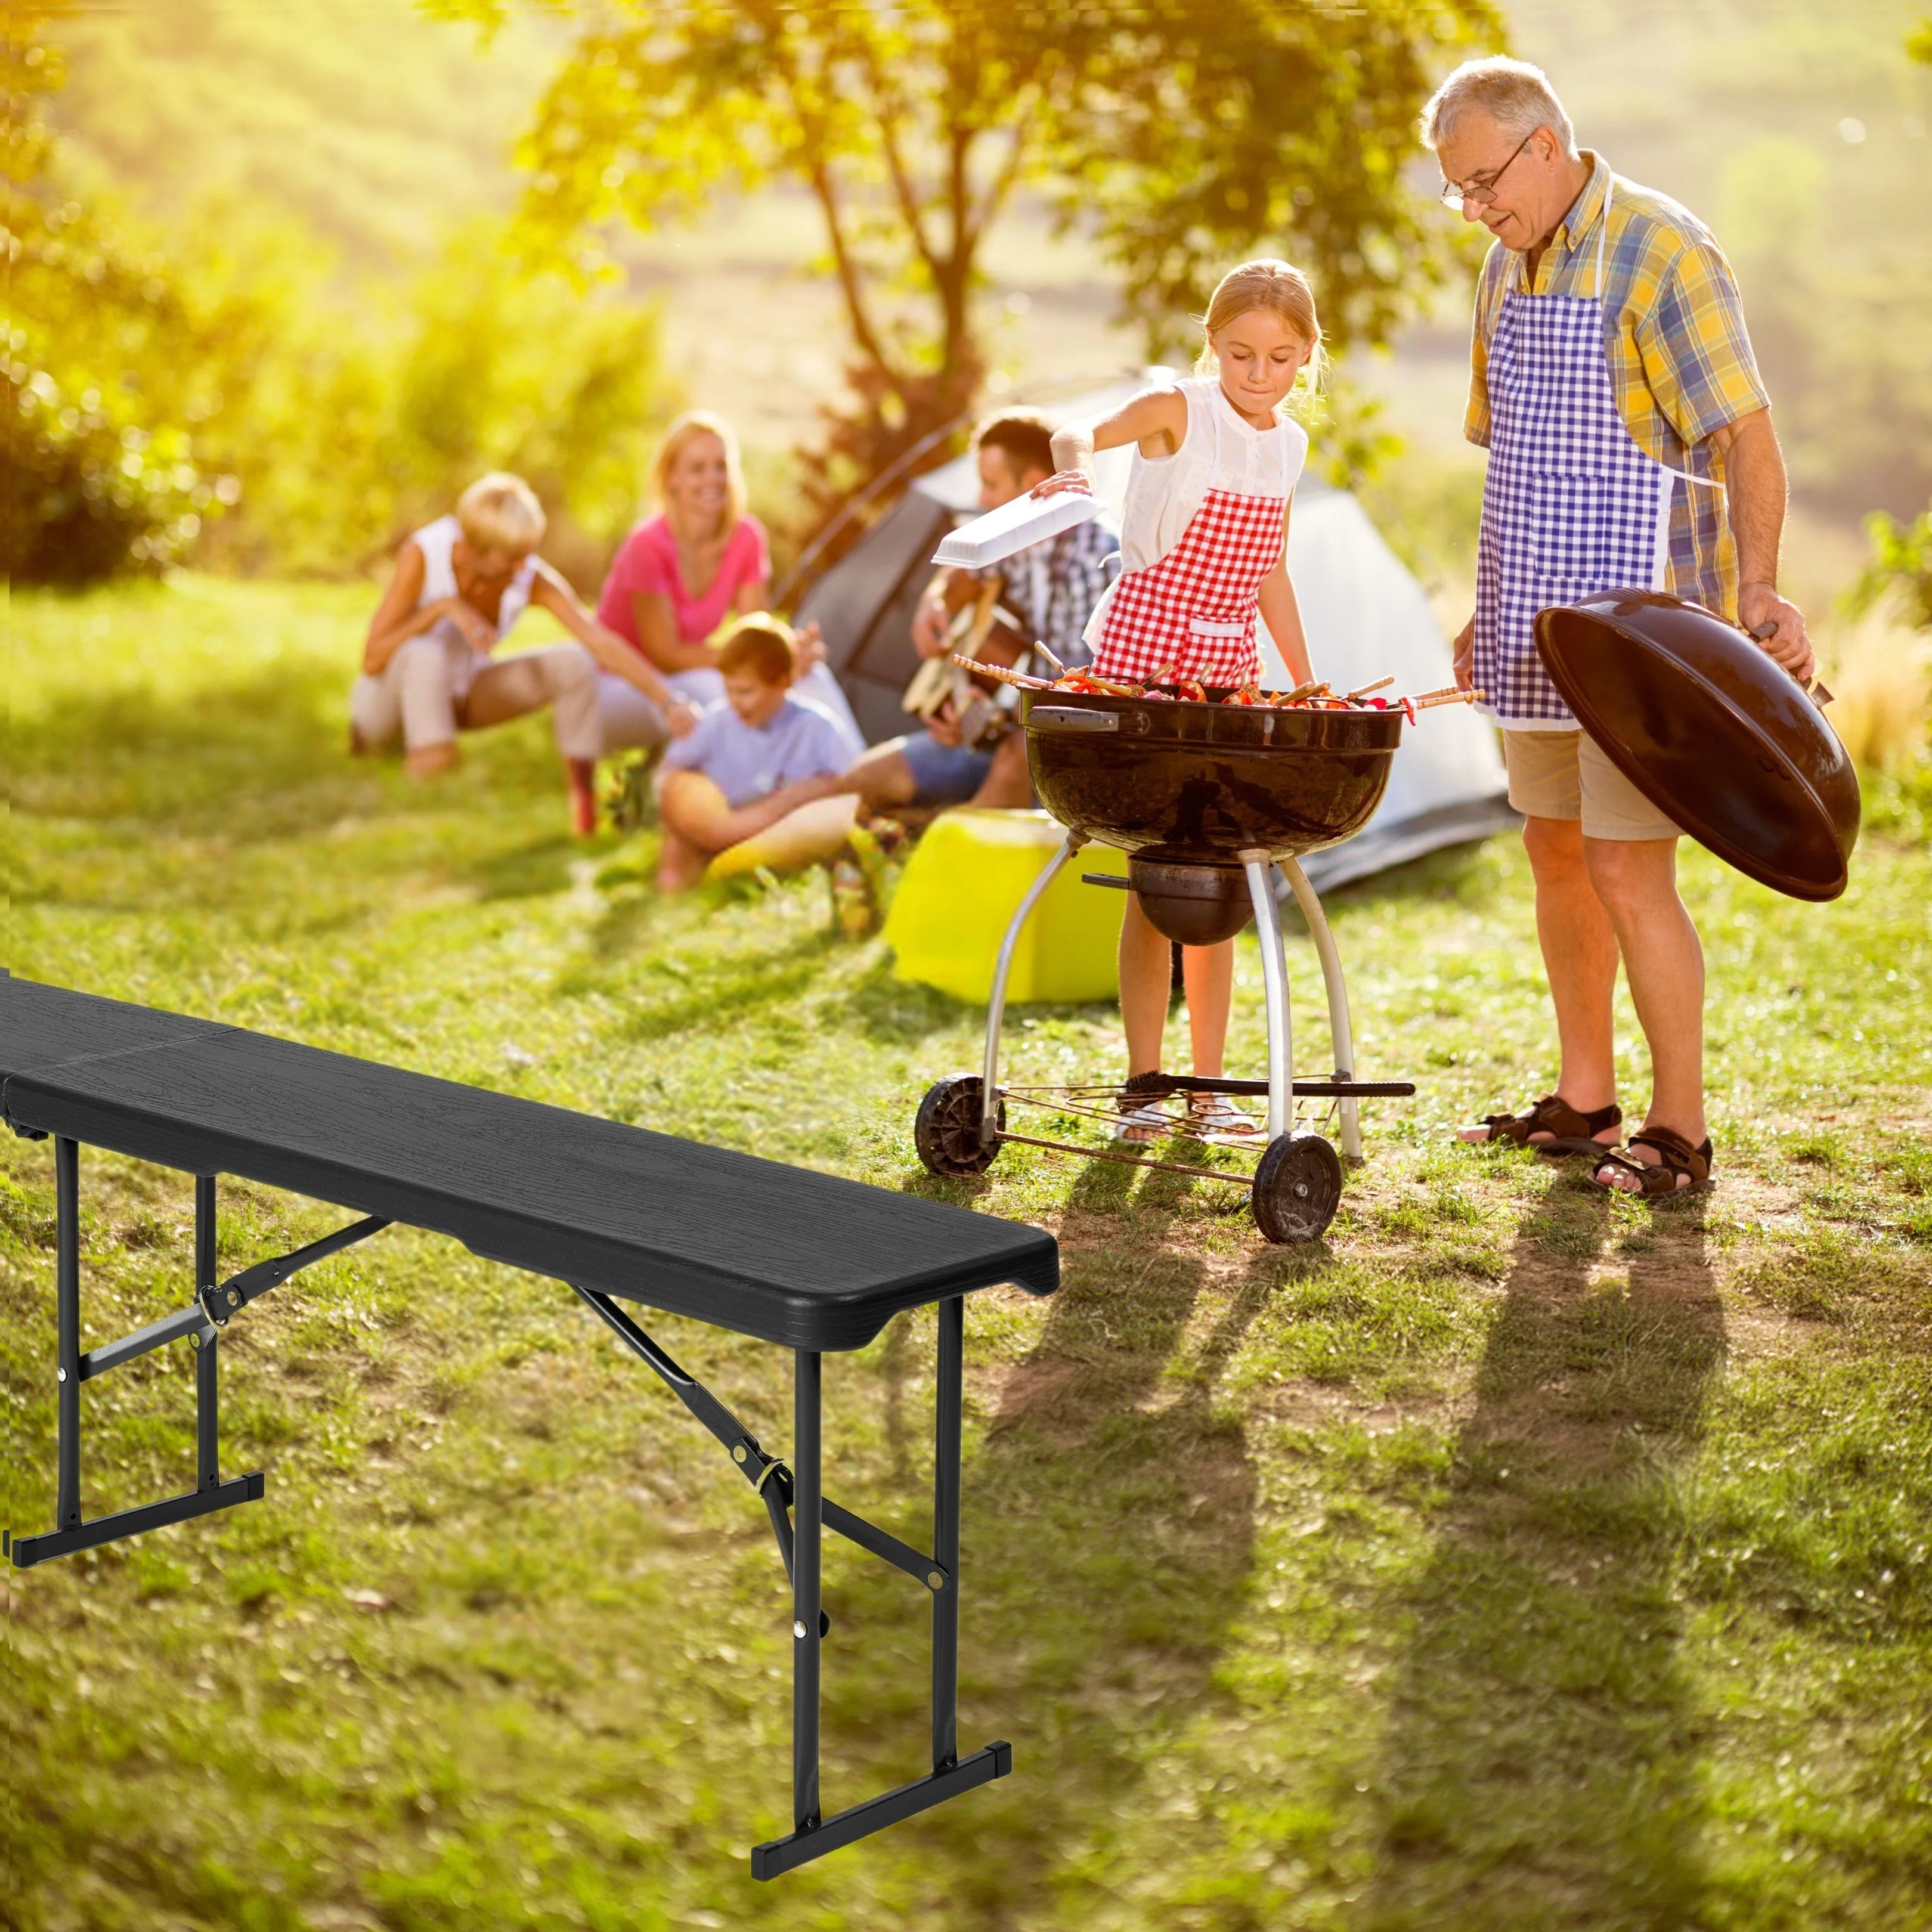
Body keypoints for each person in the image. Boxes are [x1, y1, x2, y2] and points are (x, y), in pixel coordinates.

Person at [1423, 58, 1815, 1196]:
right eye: (1458, 192)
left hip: (1645, 637)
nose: (1478, 209)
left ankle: (1677, 1130)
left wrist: (1760, 590)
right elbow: (1517, 462)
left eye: (1485, 181)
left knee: (1629, 871)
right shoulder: (1504, 265)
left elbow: (1747, 433)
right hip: (1533, 623)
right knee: (1555, 853)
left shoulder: (1662, 249)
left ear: (1546, 144)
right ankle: (1586, 1101)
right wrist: (1481, 607)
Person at [1032, 261, 1323, 1143]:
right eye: (1240, 355)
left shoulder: (1290, 445)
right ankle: (1145, 1084)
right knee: (1154, 876)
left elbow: (1266, 567)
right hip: (1143, 656)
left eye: (1279, 359)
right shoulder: (1178, 409)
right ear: (1211, 343)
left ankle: (1208, 1089)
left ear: (1307, 356)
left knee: (1220, 872)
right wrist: (1076, 472)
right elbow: (1073, 430)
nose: (1258, 376)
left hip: (1227, 665)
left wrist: (1304, 682)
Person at [352, 473, 698, 835]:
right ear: (471, 549)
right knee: (427, 653)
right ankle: (426, 775)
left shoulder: (527, 574)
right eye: (513, 557)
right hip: (383, 711)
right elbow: (373, 658)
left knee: (574, 660)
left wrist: (668, 701)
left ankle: (582, 806)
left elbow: (599, 640)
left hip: (459, 698)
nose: (523, 568)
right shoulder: (425, 555)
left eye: (528, 553)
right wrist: (442, 608)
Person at [843, 410, 1120, 812]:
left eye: (990, 485)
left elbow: (1094, 691)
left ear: (1033, 485)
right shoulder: (1013, 537)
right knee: (865, 777)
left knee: (1014, 760)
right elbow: (962, 578)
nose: (980, 499)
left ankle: (956, 858)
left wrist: (1002, 718)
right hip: (1017, 724)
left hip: (1068, 743)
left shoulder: (1099, 556)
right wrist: (933, 603)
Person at [594, 411, 862, 755]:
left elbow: (755, 629)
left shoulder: (746, 536)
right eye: (697, 468)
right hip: (624, 684)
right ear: (671, 478)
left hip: (687, 675)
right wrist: (755, 662)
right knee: (723, 692)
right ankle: (786, 787)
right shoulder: (646, 545)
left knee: (812, 677)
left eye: (720, 466)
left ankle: (860, 778)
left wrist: (785, 653)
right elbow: (664, 655)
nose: (713, 478)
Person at [655, 615, 857, 891]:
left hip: (782, 833)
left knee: (820, 799)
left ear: (783, 682)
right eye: (729, 690)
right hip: (724, 825)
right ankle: (675, 899)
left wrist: (808, 794)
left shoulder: (816, 727)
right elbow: (670, 771)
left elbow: (852, 784)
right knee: (680, 816)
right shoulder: (718, 722)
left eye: (746, 691)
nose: (735, 701)